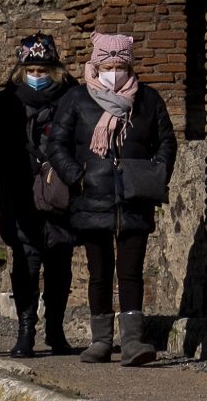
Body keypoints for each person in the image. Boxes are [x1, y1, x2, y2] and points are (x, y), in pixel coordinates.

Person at [47, 33, 176, 366]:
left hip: (134, 197)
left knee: (131, 271)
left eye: (120, 66)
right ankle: (101, 340)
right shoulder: (77, 99)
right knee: (99, 272)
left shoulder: (148, 99)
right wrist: (77, 176)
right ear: (96, 65)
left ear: (130, 66)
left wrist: (154, 174)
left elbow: (166, 141)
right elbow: (57, 144)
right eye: (107, 67)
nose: (114, 73)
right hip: (91, 197)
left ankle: (132, 341)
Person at [0, 33, 77, 358]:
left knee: (60, 261)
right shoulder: (5, 102)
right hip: (20, 191)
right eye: (32, 71)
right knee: (26, 260)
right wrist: (8, 175)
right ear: (21, 70)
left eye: (43, 70)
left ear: (55, 70)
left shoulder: (72, 98)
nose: (37, 76)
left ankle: (55, 330)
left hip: (60, 192)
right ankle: (25, 331)